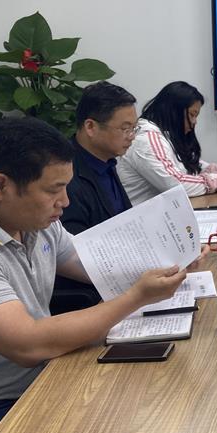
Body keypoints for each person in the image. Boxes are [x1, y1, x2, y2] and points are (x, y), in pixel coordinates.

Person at [0, 118, 203, 433]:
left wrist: (172, 258)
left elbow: (95, 264)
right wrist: (136, 296)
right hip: (1, 404)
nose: (65, 201)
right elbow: (28, 344)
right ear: (0, 187)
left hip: (50, 372)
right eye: (53, 190)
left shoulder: (38, 226)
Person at [54, 82, 138, 310]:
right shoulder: (65, 177)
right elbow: (78, 253)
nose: (131, 136)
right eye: (125, 129)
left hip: (122, 280)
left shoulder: (106, 162)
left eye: (134, 128)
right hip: (92, 298)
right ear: (90, 126)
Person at [117, 81, 217, 205]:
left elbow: (185, 165)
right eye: (192, 115)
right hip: (144, 216)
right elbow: (176, 184)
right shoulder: (147, 140)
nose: (194, 122)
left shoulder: (165, 135)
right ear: (173, 111)